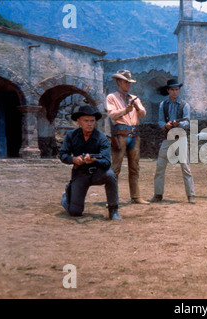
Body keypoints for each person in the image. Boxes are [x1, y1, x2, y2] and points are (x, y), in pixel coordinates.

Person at [59, 105, 121, 221]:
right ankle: (67, 197)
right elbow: (62, 154)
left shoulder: (101, 138)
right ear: (79, 121)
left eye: (92, 121)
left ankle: (113, 210)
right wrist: (74, 160)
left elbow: (107, 162)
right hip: (80, 174)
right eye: (86, 121)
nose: (89, 124)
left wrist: (94, 160)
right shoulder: (71, 136)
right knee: (75, 212)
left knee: (111, 175)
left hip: (97, 173)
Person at [149, 79, 196, 204]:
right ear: (168, 90)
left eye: (177, 89)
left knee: (186, 167)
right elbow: (159, 121)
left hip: (180, 137)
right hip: (168, 138)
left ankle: (191, 195)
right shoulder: (163, 105)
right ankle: (158, 194)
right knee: (160, 166)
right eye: (173, 89)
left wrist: (178, 123)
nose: (175, 92)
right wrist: (166, 125)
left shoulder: (185, 105)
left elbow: (187, 122)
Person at [106, 70, 148, 204]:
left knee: (135, 167)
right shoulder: (111, 97)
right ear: (118, 82)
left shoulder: (134, 98)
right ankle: (112, 198)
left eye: (129, 82)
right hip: (120, 134)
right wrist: (125, 110)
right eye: (126, 82)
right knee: (115, 168)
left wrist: (136, 107)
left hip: (135, 135)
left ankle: (136, 196)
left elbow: (143, 114)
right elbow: (112, 115)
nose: (128, 85)